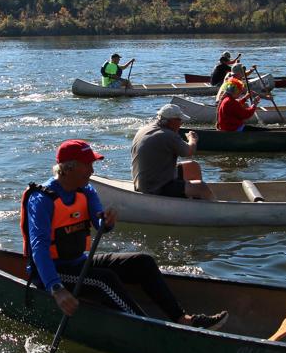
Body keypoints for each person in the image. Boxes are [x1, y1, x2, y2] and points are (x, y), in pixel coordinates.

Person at [22, 139, 228, 329]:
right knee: (105, 279)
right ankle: (146, 328)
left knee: (143, 262)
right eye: (87, 165)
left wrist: (106, 222)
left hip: (79, 263)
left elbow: (100, 224)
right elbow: (39, 248)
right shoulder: (42, 199)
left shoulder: (86, 191)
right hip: (52, 272)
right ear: (68, 168)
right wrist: (57, 289)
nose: (92, 171)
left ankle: (183, 319)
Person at [131, 104, 214, 200]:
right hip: (155, 188)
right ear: (171, 121)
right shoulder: (168, 135)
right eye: (179, 120)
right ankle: (214, 206)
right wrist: (193, 139)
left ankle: (194, 201)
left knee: (193, 166)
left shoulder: (145, 129)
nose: (181, 123)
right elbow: (189, 151)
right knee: (201, 187)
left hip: (143, 182)